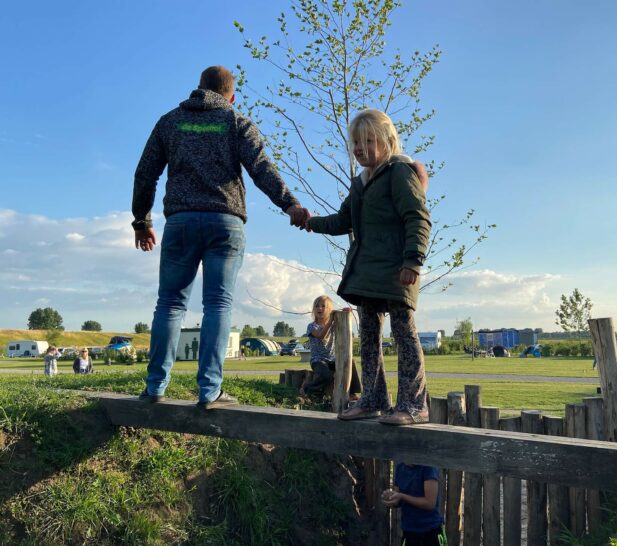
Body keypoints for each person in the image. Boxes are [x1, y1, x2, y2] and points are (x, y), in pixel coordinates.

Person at [132, 65, 310, 409]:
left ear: (198, 88)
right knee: (217, 304)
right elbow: (261, 167)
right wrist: (290, 205)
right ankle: (210, 390)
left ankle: (154, 387)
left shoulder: (170, 121)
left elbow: (145, 174)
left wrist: (141, 220)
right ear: (232, 97)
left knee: (170, 303)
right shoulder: (235, 120)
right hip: (224, 222)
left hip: (181, 222)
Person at [305, 109, 431, 425]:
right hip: (367, 272)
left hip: (397, 269)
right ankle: (373, 400)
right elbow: (342, 220)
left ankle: (414, 405)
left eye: (367, 141)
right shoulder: (360, 183)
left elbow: (417, 218)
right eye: (356, 144)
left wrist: (413, 260)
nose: (359, 149)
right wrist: (310, 222)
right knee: (370, 336)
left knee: (403, 333)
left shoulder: (399, 173)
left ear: (387, 141)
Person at [382, 463, 449, 546]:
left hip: (431, 534)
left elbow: (430, 503)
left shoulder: (428, 467)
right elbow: (398, 499)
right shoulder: (400, 468)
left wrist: (402, 496)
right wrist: (391, 498)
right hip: (410, 534)